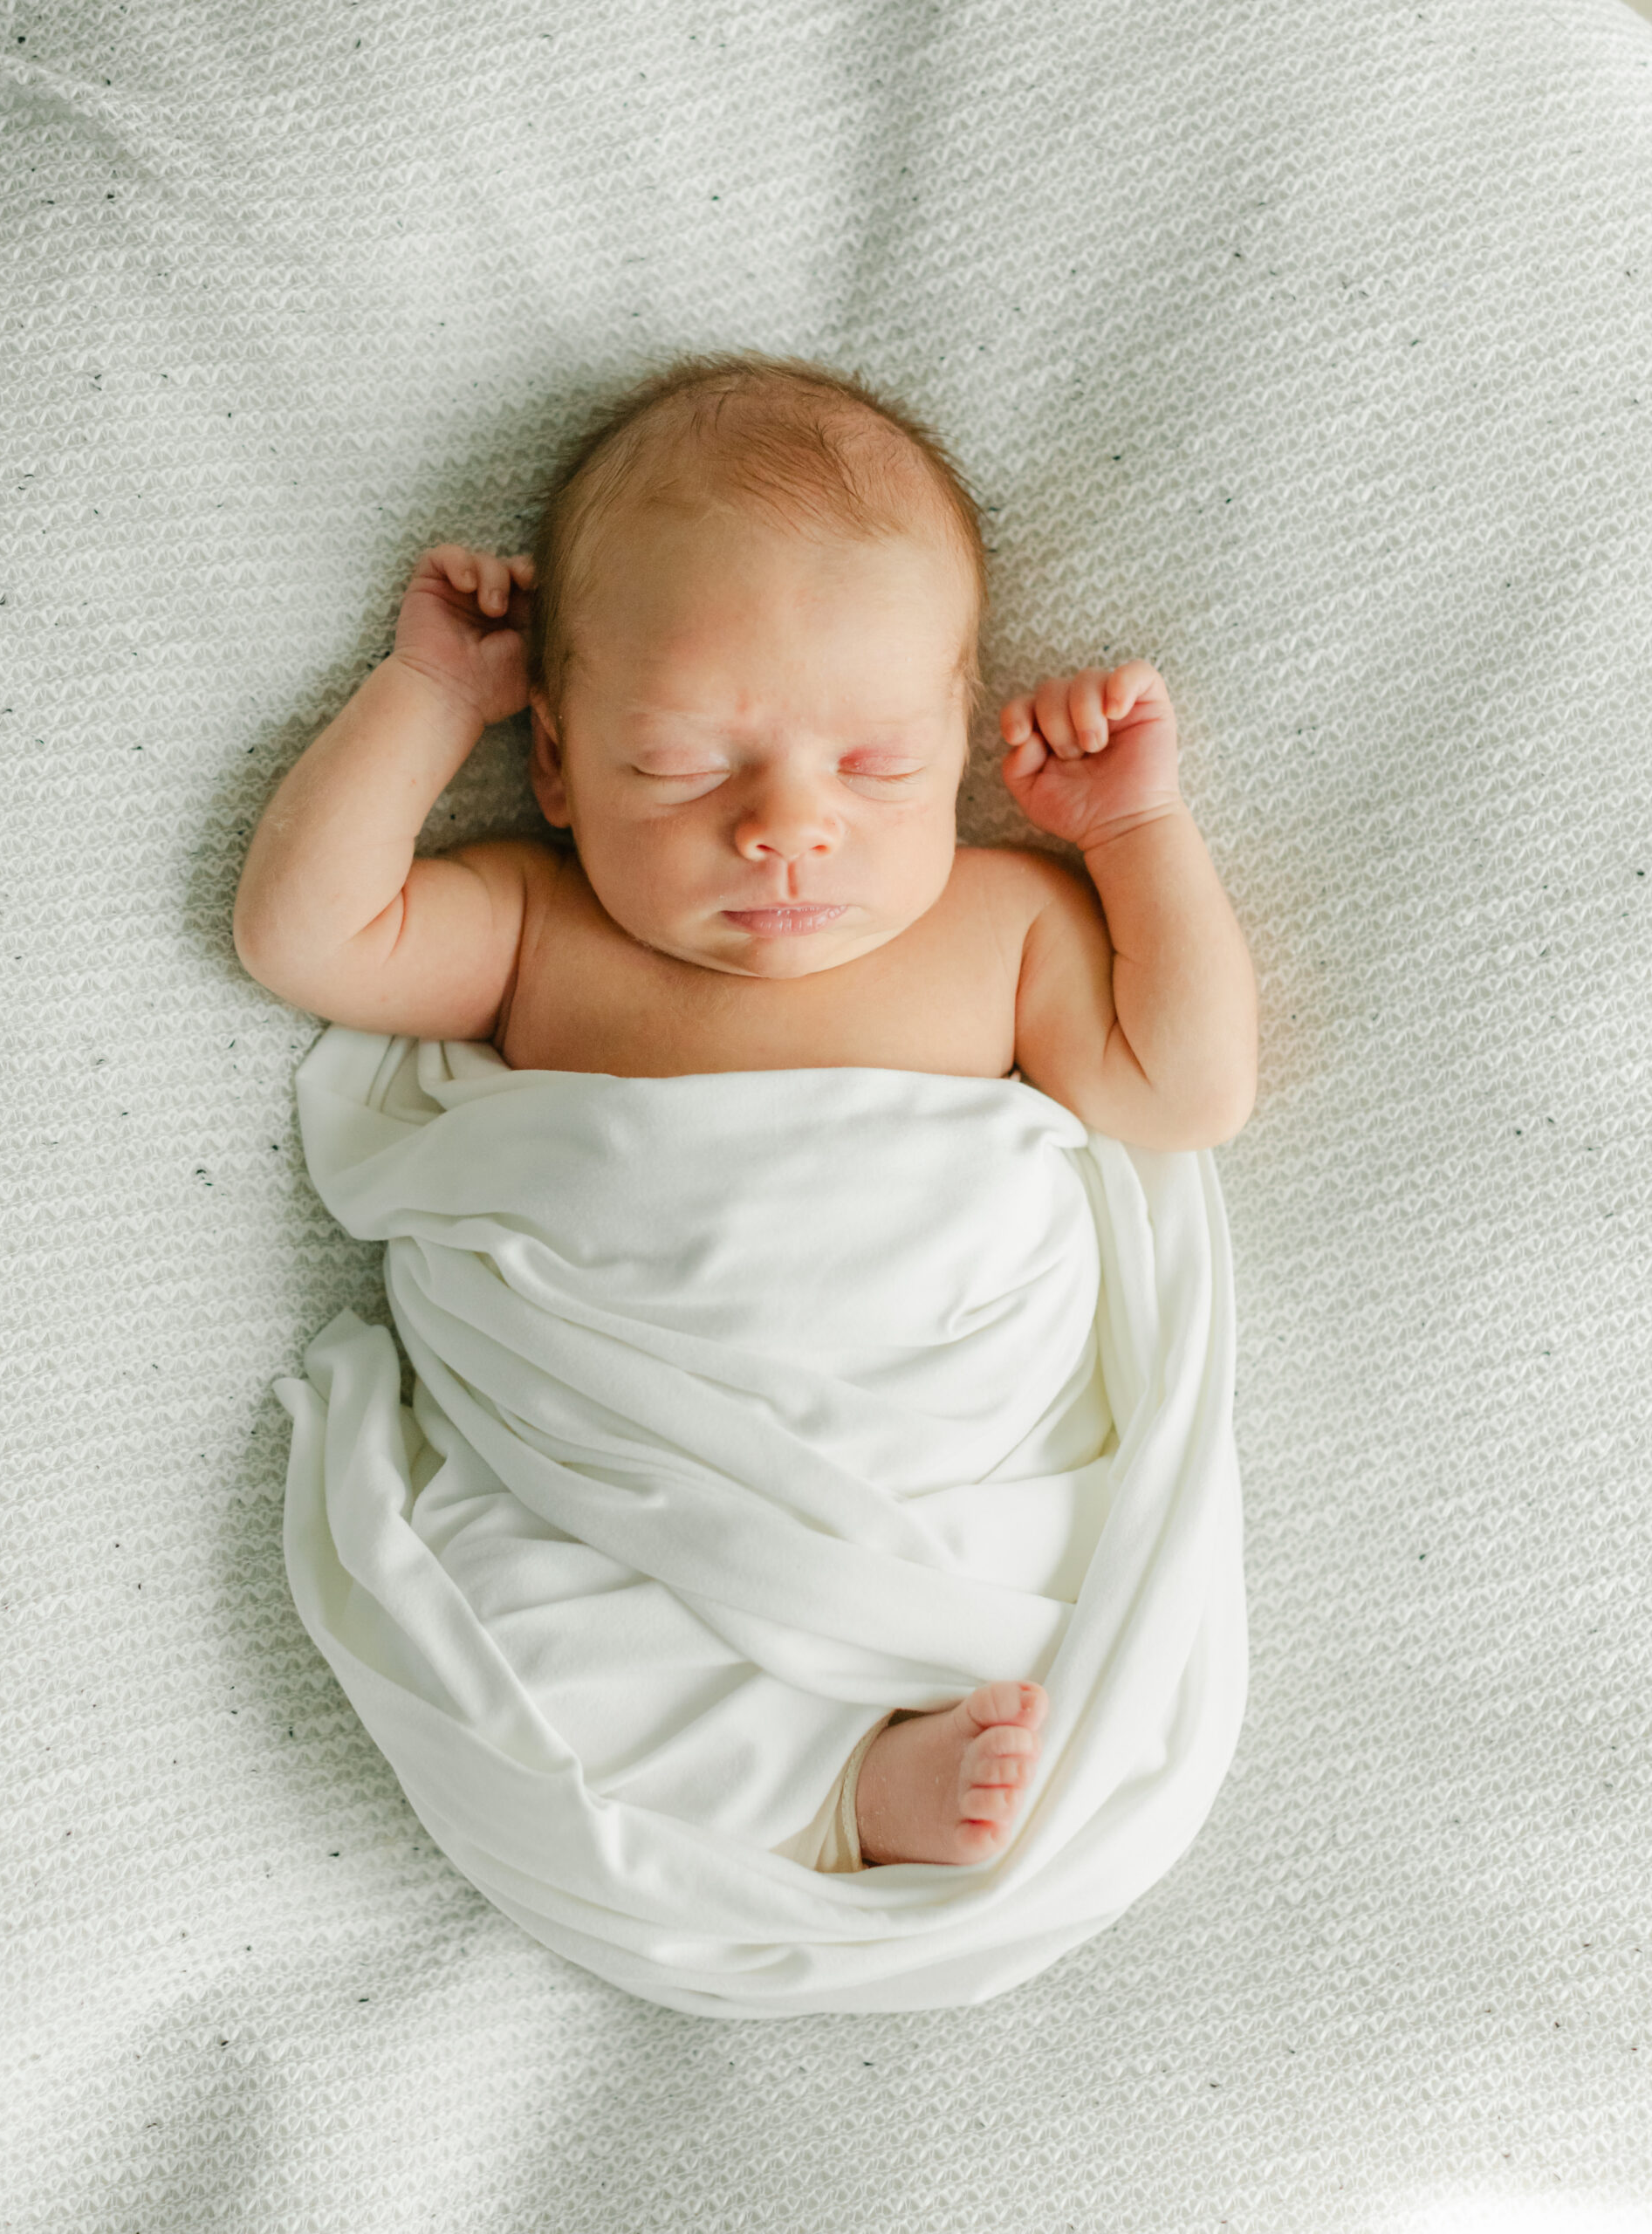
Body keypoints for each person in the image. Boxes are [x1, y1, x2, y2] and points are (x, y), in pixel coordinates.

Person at [233, 350, 1257, 1870]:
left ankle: (888, 1752)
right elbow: (303, 935)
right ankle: (833, 1801)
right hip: (629, 1476)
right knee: (514, 1631)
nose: (787, 825)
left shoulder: (1004, 920)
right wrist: (433, 698)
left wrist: (1137, 833)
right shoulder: (537, 928)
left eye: (874, 762)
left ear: (958, 744)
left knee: (1025, 1566)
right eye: (683, 762)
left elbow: (1186, 1094)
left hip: (925, 1451)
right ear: (562, 767)